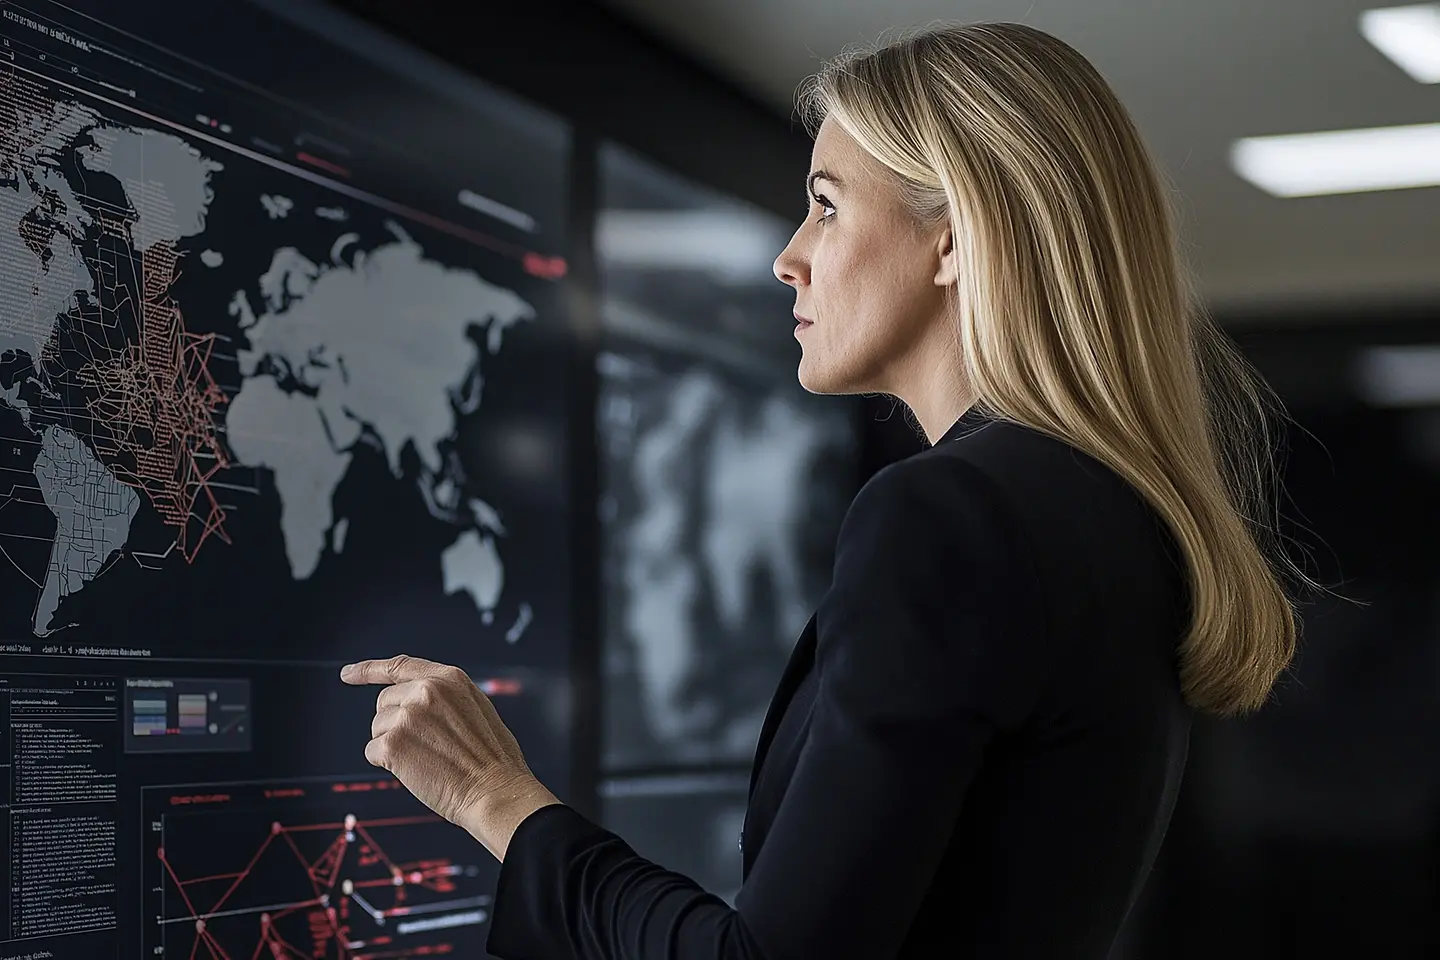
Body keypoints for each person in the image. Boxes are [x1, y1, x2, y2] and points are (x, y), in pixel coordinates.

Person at [340, 21, 1302, 959]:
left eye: (828, 205)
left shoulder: (946, 515)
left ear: (955, 239)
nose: (787, 255)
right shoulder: (1112, 513)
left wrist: (495, 800)